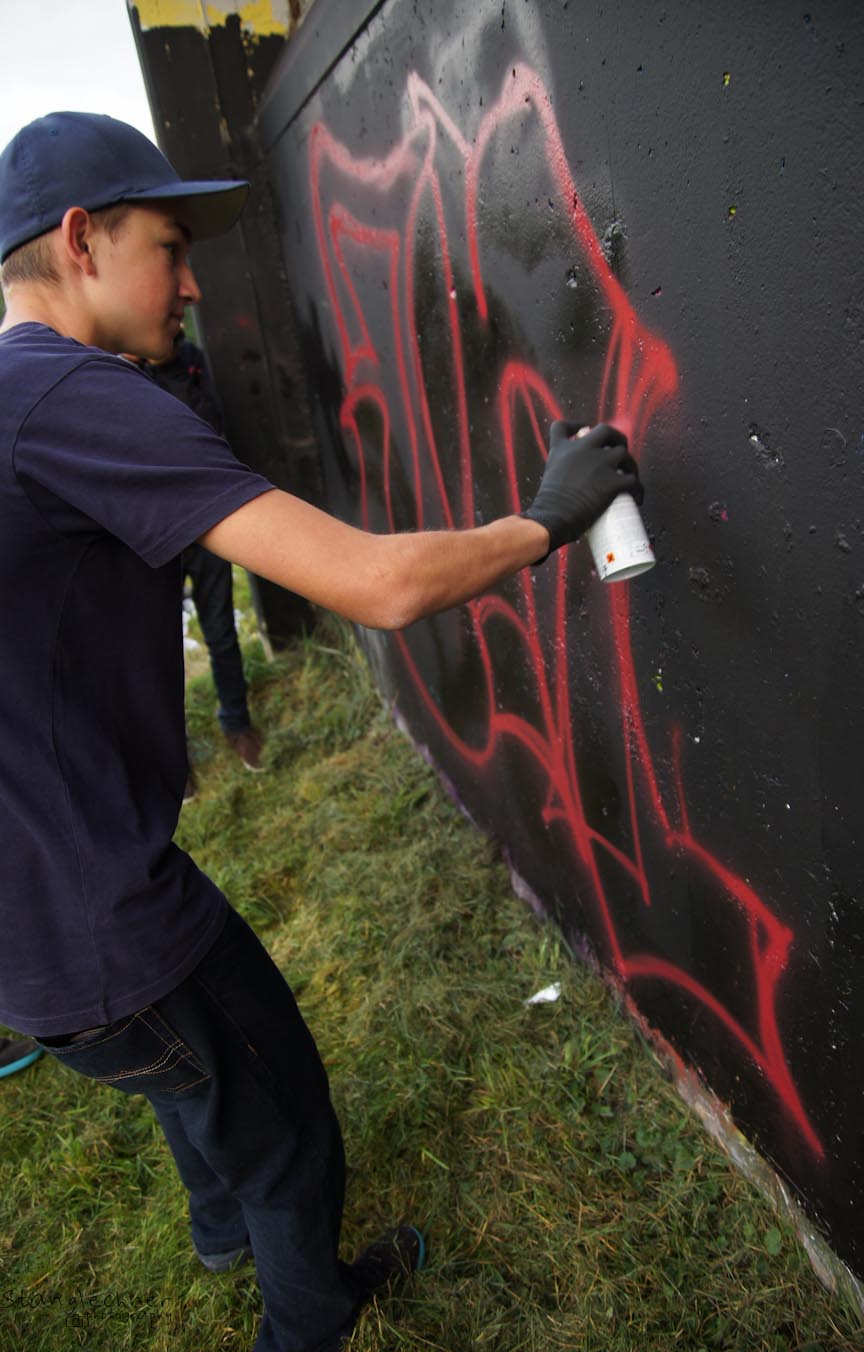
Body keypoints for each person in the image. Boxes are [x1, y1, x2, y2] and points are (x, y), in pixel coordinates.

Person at [0, 111, 642, 1352]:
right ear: (80, 241)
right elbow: (377, 584)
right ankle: (312, 1320)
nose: (193, 283)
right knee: (280, 1105)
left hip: (27, 920)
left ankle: (220, 1232)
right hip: (99, 918)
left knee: (186, 1073)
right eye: (170, 245)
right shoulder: (75, 394)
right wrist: (546, 520)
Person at [124, 332, 264, 778]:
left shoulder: (189, 361)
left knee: (222, 633)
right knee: (156, 652)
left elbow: (211, 427)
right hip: (151, 538)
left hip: (205, 526)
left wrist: (168, 369)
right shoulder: (111, 373)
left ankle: (238, 725)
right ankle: (174, 758)